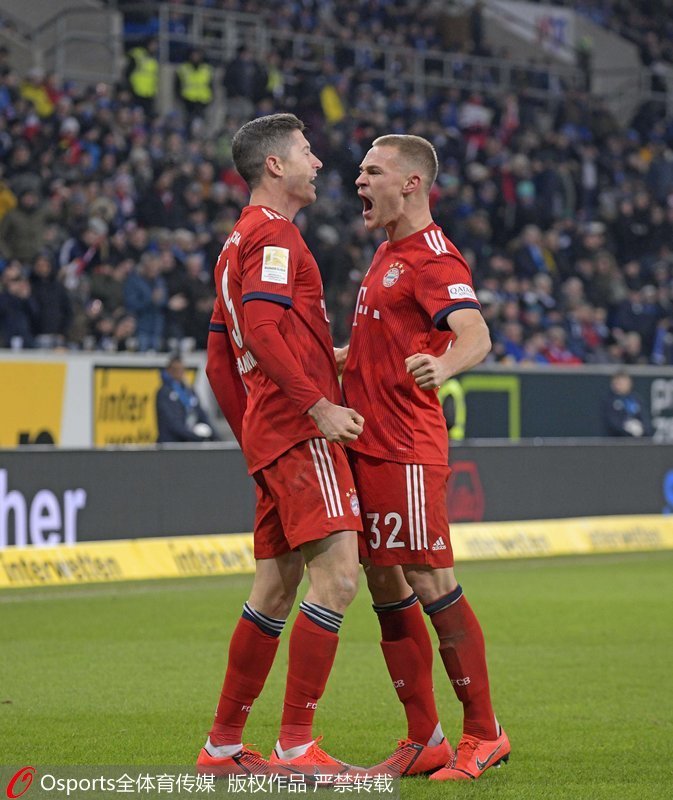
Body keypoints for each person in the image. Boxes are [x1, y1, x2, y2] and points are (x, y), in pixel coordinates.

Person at [197, 113, 365, 780]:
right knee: (339, 578)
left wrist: (255, 436)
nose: (318, 162)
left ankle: (222, 746)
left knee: (273, 590)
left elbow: (220, 361)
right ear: (275, 165)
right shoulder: (274, 236)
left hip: (271, 433)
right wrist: (316, 405)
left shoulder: (235, 243)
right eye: (306, 151)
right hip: (298, 429)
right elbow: (264, 331)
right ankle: (296, 747)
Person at [341, 134, 510, 781]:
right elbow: (380, 347)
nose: (359, 181)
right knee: (384, 582)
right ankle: (425, 738)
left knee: (430, 580)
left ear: (410, 182)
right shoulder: (387, 252)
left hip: (406, 449)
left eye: (372, 171)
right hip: (367, 444)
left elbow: (476, 334)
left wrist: (443, 365)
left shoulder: (433, 256)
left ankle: (484, 733)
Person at [155, 354, 217, 443]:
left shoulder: (189, 391)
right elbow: (172, 423)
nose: (179, 373)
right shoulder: (164, 393)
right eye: (175, 370)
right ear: (169, 371)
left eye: (181, 369)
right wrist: (194, 436)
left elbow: (201, 414)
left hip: (188, 441)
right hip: (171, 443)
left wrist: (215, 437)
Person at [603, 370, 653, 437]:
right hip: (617, 439)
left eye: (623, 382)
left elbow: (645, 418)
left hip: (637, 439)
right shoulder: (609, 400)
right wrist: (626, 427)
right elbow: (611, 422)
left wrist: (642, 429)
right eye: (618, 383)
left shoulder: (636, 399)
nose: (621, 385)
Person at [174, 49, 213, 122]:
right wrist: (180, 98)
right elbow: (177, 85)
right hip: (188, 100)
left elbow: (210, 85)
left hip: (203, 100)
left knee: (201, 122)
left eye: (197, 55)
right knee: (188, 121)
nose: (195, 57)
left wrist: (211, 98)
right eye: (194, 55)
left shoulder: (206, 68)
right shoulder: (183, 68)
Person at [125, 37, 159, 117]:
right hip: (136, 91)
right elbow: (128, 72)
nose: (155, 47)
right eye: (153, 44)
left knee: (147, 115)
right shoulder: (138, 55)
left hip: (149, 93)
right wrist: (130, 88)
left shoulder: (153, 59)